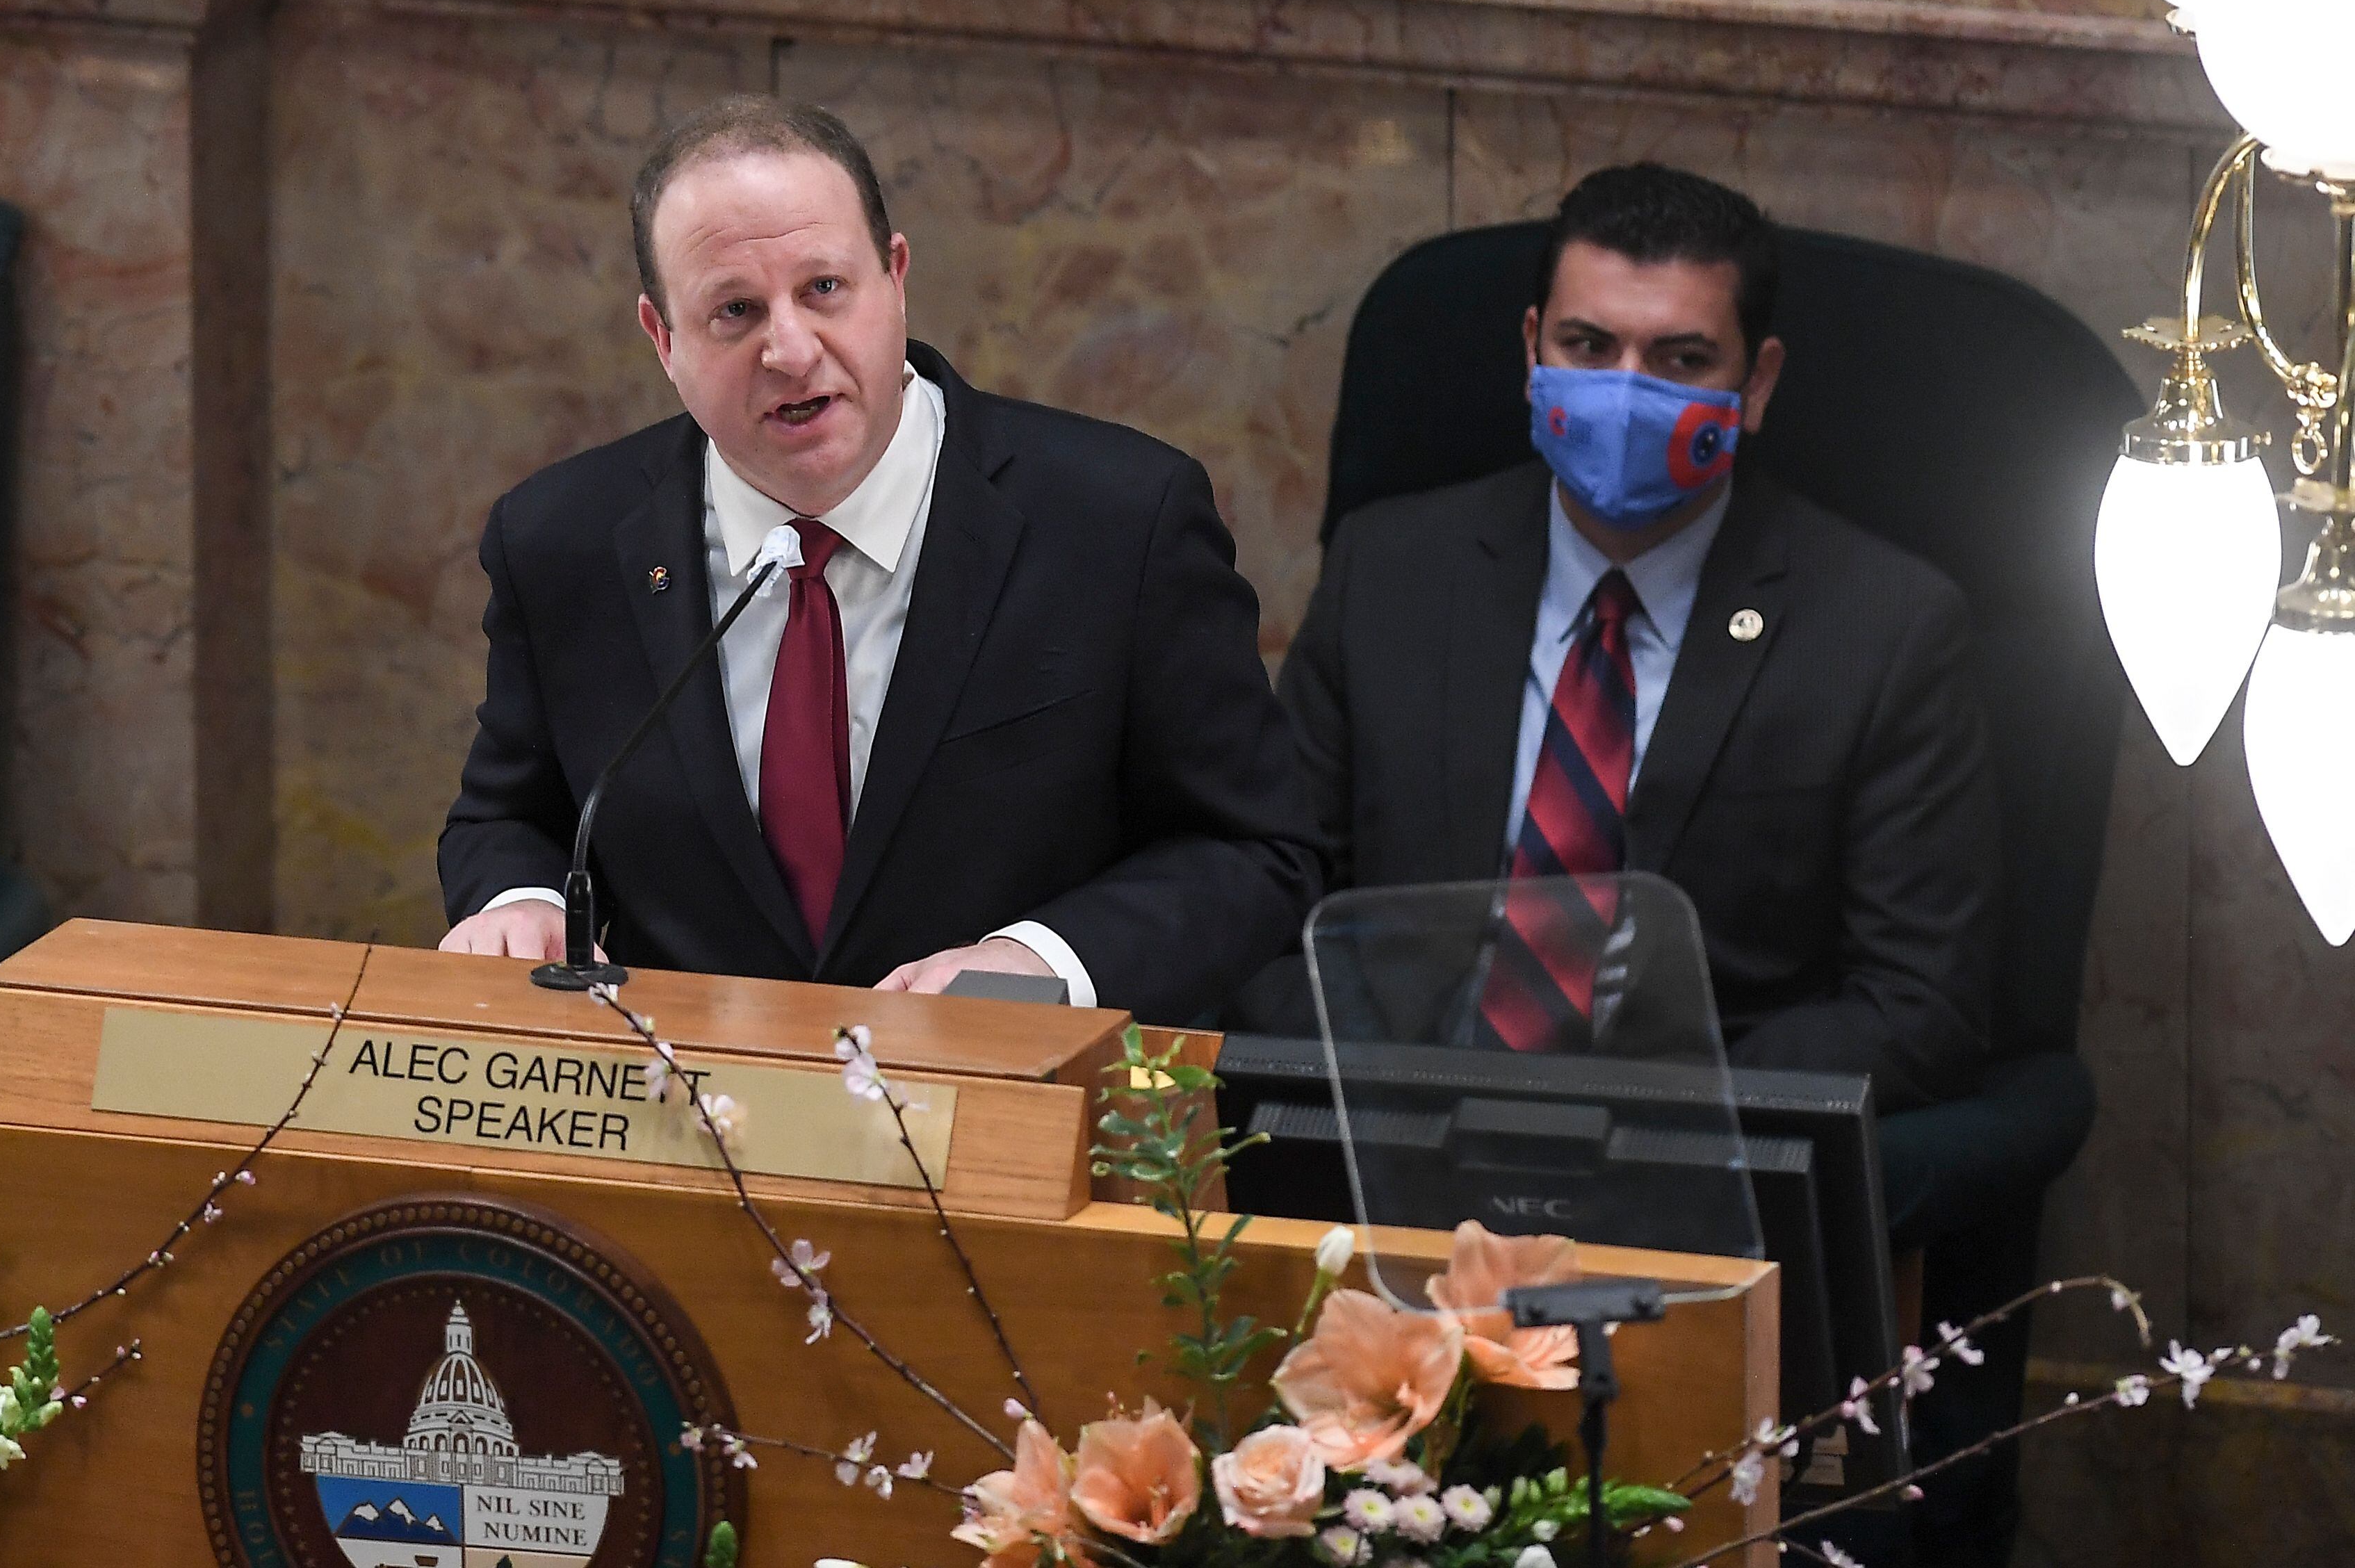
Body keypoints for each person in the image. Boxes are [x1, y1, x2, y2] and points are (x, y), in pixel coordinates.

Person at [437, 95, 1332, 1022]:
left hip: (1011, 1110)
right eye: (735, 312)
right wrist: (525, 904)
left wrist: (1039, 960)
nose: (789, 350)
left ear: (895, 277)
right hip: (687, 1116)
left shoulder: (1116, 522)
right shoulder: (563, 540)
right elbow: (511, 816)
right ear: (663, 340)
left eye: (824, 288)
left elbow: (1257, 853)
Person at [1235, 163, 1998, 1109]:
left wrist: (1631, 1107)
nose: (1624, 395)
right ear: (1531, 349)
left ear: (1754, 382)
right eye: (1587, 346)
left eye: (1680, 359)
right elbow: (1267, 901)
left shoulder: (1885, 629)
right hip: (1393, 1132)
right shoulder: (1388, 572)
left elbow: (1921, 1007)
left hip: (1690, 1159)